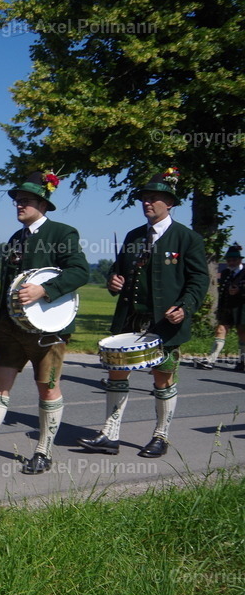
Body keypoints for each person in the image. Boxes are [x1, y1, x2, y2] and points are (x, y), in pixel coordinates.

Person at [0, 171, 89, 474]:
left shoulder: (63, 233)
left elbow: (79, 272)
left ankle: (44, 451)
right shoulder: (16, 238)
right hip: (11, 328)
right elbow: (8, 285)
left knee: (47, 388)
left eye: (25, 201)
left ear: (43, 203)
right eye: (17, 201)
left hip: (49, 331)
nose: (19, 205)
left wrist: (45, 290)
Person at [78, 168, 208, 458]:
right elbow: (119, 269)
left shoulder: (187, 239)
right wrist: (113, 279)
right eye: (144, 199)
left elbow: (199, 280)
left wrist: (185, 307)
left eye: (153, 199)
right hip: (130, 318)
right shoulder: (134, 235)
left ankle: (160, 436)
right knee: (116, 372)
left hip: (165, 322)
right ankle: (110, 434)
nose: (147, 203)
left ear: (170, 203)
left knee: (162, 377)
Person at [197, 244, 245, 371]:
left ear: (240, 260)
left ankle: (243, 361)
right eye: (229, 260)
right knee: (220, 330)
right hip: (227, 307)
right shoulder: (224, 273)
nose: (231, 263)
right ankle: (211, 360)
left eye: (234, 260)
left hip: (242, 307)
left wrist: (240, 290)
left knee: (242, 334)